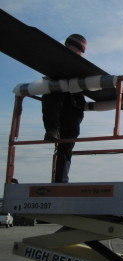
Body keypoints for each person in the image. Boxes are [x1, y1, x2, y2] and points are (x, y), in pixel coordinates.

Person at [41, 34, 87, 183]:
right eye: (70, 47)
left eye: (78, 50)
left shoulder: (83, 67)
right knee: (51, 95)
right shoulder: (56, 63)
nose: (74, 52)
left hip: (74, 104)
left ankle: (61, 181)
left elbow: (90, 84)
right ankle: (52, 130)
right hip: (57, 98)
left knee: (67, 142)